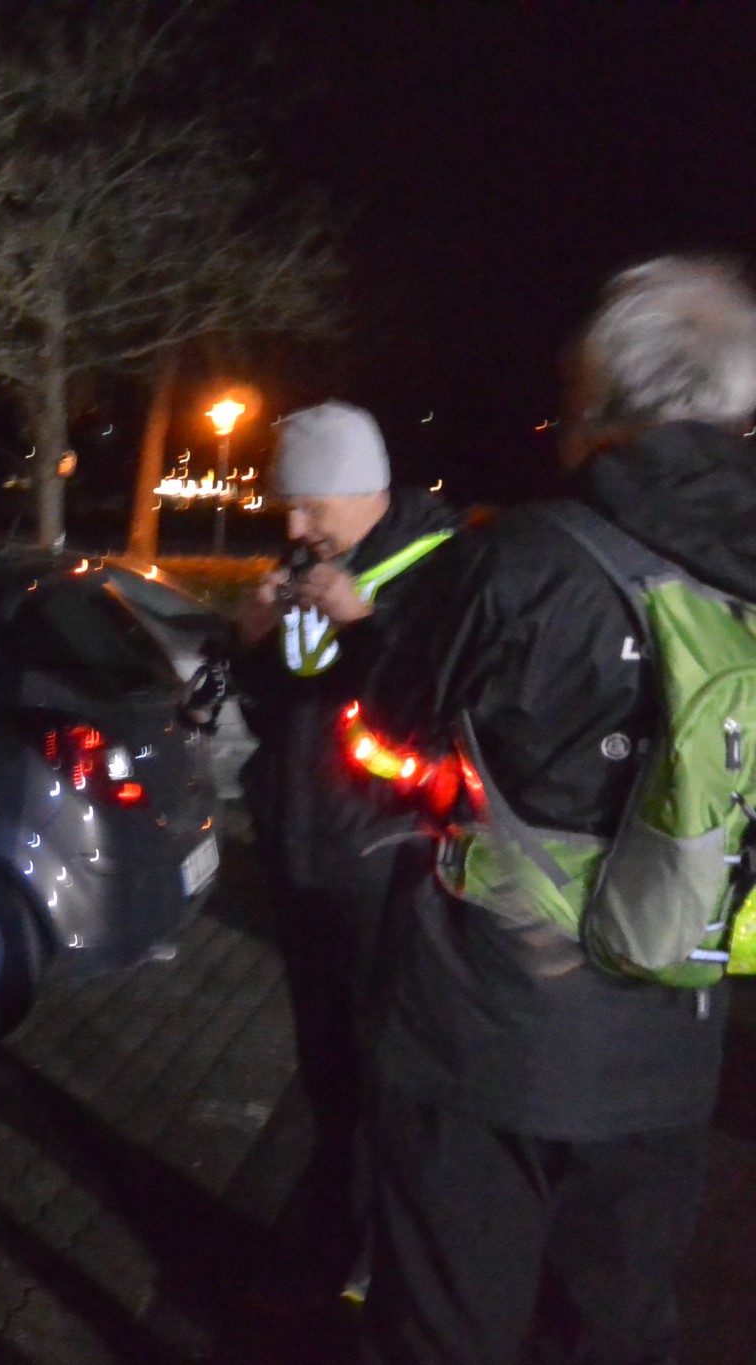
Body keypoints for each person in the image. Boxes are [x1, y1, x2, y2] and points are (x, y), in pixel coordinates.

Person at [354, 256, 756, 1363]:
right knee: (615, 1330)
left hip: (483, 1033)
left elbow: (390, 720)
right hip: (673, 1029)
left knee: (446, 1327)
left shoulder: (520, 558)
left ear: (599, 402)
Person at [229, 401, 459, 1304]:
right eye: (287, 507)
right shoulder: (307, 568)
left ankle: (383, 1250)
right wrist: (250, 645)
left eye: (307, 506)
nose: (293, 528)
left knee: (389, 1067)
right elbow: (283, 704)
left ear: (362, 490)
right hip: (304, 851)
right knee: (326, 1061)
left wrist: (368, 626)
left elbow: (440, 707)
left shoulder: (441, 571)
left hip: (390, 861)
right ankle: (332, 1224)